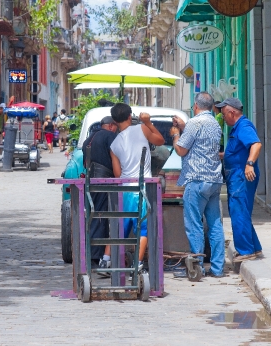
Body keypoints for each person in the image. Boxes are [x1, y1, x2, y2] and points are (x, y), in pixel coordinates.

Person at [170, 92, 225, 278]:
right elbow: (199, 139)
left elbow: (181, 150)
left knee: (194, 225)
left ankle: (197, 267)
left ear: (195, 106)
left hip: (197, 180)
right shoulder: (215, 124)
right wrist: (184, 126)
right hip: (214, 180)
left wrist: (176, 134)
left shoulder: (195, 123)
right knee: (215, 224)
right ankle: (217, 268)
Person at [109, 103, 165, 272]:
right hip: (143, 187)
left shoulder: (114, 144)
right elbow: (160, 140)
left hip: (125, 188)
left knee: (122, 228)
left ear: (114, 120)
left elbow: (117, 173)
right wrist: (147, 122)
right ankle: (137, 263)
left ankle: (114, 263)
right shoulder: (142, 128)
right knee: (143, 228)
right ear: (129, 116)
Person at [215, 97, 263, 262]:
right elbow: (236, 152)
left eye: (223, 114)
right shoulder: (236, 128)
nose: (222, 117)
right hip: (236, 176)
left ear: (232, 112)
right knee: (242, 211)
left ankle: (245, 251)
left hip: (242, 176)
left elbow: (256, 144)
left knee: (239, 211)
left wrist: (249, 164)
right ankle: (254, 248)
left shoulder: (243, 126)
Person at [81, 116, 119, 270]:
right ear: (110, 126)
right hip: (104, 180)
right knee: (101, 218)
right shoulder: (110, 136)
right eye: (115, 126)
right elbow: (115, 157)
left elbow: (85, 163)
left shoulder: (88, 138)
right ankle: (96, 256)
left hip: (91, 179)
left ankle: (91, 253)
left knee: (93, 216)